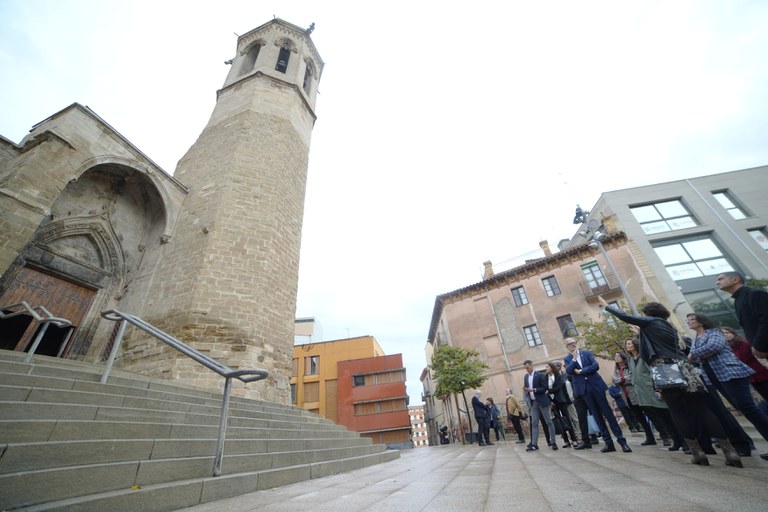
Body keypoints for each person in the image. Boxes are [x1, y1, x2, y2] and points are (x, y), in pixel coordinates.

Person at [599, 296, 742, 467]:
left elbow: (625, 316)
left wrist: (608, 306)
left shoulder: (651, 322)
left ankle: (697, 453)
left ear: (648, 314)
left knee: (677, 411)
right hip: (683, 367)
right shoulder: (668, 326)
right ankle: (730, 452)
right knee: (702, 409)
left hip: (665, 368)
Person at [687, 313, 768, 461]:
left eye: (691, 319)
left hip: (731, 372)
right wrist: (696, 355)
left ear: (701, 321)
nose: (689, 322)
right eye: (687, 320)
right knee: (741, 407)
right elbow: (695, 355)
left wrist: (695, 354)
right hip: (714, 376)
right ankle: (746, 446)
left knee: (748, 408)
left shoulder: (715, 333)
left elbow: (714, 347)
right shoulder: (695, 339)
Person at [563, 337, 632, 453]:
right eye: (570, 344)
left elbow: (595, 366)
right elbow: (569, 371)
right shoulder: (568, 359)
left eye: (574, 343)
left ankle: (622, 442)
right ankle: (608, 443)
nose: (573, 345)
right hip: (584, 390)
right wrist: (574, 359)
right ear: (567, 347)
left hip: (596, 387)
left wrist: (581, 371)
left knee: (608, 414)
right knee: (597, 417)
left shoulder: (586, 353)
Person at [622, 339, 685, 451]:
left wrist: (658, 389)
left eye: (630, 343)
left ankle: (684, 441)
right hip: (642, 392)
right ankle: (676, 441)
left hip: (652, 389)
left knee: (667, 415)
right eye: (626, 344)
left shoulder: (644, 356)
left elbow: (652, 371)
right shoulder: (631, 359)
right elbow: (632, 373)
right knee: (660, 417)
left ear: (636, 345)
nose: (627, 345)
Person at [715, 271, 768, 359]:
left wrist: (759, 346)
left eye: (720, 279)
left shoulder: (755, 293)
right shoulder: (738, 299)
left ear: (735, 279)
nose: (717, 282)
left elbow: (766, 320)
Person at [723, 326, 768, 402]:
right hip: (752, 378)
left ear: (733, 333)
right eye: (722, 334)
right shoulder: (727, 349)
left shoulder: (745, 343)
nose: (725, 335)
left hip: (763, 372)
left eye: (727, 332)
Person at [522, 359, 558, 452]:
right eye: (525, 368)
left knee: (548, 422)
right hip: (533, 403)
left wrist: (533, 390)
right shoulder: (526, 377)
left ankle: (553, 442)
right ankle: (534, 444)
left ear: (532, 365)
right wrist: (526, 390)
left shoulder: (540, 375)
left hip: (542, 401)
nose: (527, 369)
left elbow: (544, 388)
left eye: (528, 367)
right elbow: (527, 389)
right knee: (534, 423)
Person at [546, 361, 576, 447]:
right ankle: (566, 441)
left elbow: (558, 388)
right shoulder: (546, 378)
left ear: (551, 368)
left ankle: (574, 439)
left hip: (561, 400)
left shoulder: (558, 376)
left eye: (547, 367)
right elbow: (545, 389)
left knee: (567, 419)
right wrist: (549, 400)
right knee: (559, 421)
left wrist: (548, 391)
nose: (546, 368)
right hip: (553, 402)